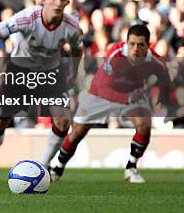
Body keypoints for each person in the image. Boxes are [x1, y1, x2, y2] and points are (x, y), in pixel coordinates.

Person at [0, 0, 83, 181]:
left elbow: (78, 48)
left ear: (68, 3)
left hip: (50, 73)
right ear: (42, 0)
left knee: (63, 121)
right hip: (19, 71)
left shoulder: (71, 26)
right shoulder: (27, 17)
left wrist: (73, 74)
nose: (58, 3)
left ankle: (43, 168)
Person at [51, 24, 172, 183]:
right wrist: (127, 98)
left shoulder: (152, 57)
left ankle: (131, 169)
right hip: (99, 95)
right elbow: (102, 89)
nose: (135, 48)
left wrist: (161, 95)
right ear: (127, 43)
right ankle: (57, 169)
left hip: (132, 92)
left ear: (148, 46)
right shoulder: (116, 55)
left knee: (144, 125)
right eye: (132, 44)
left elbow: (163, 71)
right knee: (77, 133)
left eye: (140, 45)